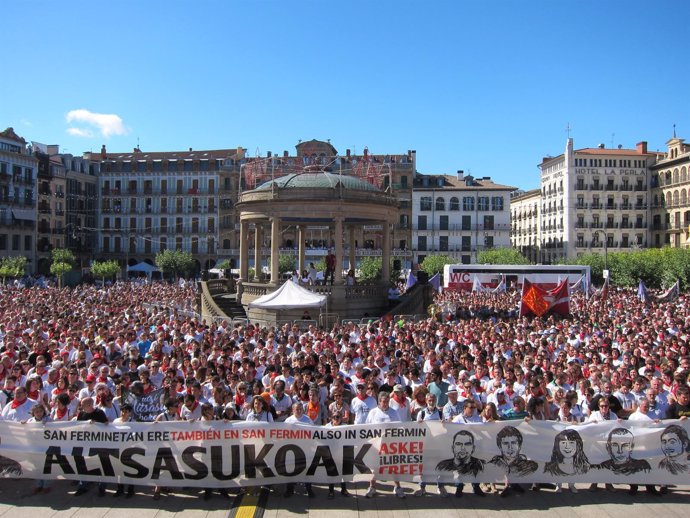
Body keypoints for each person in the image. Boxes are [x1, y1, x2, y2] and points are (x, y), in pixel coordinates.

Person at [365, 391, 405, 498]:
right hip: (376, 446)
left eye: (387, 401)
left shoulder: (394, 412)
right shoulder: (373, 412)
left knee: (393, 467)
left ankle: (398, 487)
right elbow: (367, 428)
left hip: (390, 446)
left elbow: (400, 427)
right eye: (383, 401)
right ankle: (372, 488)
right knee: (375, 468)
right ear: (379, 402)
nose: (386, 403)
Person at [593, 427, 654, 495]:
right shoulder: (603, 466)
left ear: (632, 447)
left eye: (625, 445)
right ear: (608, 447)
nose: (620, 451)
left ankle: (650, 489)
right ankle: (633, 487)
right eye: (615, 445)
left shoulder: (643, 466)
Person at [488, 426, 537, 497]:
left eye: (513, 443)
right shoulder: (493, 464)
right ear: (499, 446)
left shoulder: (529, 466)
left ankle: (514, 484)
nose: (510, 447)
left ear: (519, 445)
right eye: (505, 443)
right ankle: (507, 485)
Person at [436, 430, 486, 498]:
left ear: (473, 448)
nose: (463, 448)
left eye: (467, 444)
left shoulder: (480, 464)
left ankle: (476, 487)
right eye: (458, 444)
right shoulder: (442, 466)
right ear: (453, 448)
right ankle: (459, 488)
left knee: (475, 469)